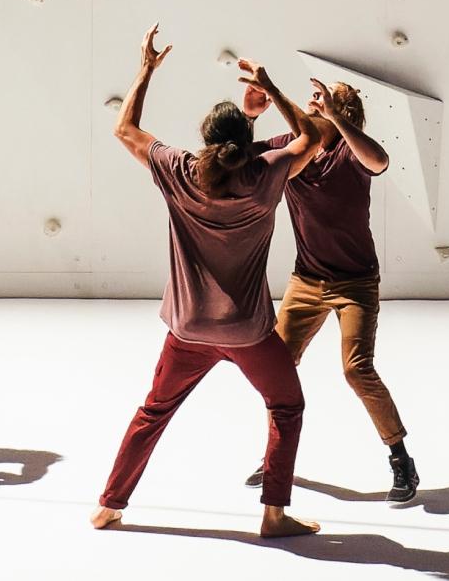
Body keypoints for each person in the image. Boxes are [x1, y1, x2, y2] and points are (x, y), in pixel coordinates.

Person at [90, 29, 321, 539]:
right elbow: (312, 138)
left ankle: (110, 506)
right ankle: (274, 515)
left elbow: (125, 128)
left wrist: (146, 69)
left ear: (206, 139)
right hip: (248, 332)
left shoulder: (180, 170)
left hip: (188, 329)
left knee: (153, 411)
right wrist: (272, 90)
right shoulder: (266, 175)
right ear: (244, 143)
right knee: (286, 406)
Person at [242, 76, 418, 504]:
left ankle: (400, 458)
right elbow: (244, 160)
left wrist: (337, 118)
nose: (313, 108)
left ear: (344, 117)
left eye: (323, 105)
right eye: (314, 104)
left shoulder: (351, 153)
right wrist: (249, 116)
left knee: (357, 369)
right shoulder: (294, 144)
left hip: (356, 282)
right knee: (276, 368)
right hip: (306, 280)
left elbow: (380, 160)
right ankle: (275, 457)